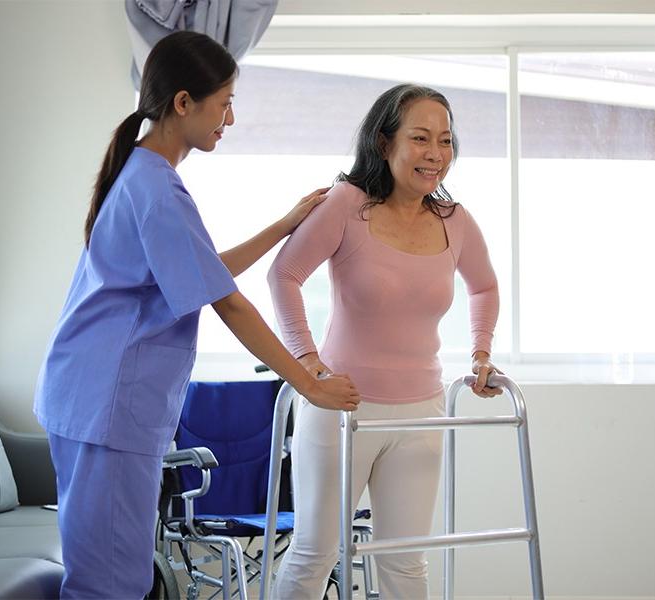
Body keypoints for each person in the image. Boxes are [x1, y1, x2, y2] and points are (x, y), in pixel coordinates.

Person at [33, 31, 359, 600]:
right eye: (224, 101)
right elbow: (228, 302)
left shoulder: (141, 174)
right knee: (109, 585)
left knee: (111, 576)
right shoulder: (158, 190)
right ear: (184, 102)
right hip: (106, 405)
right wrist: (309, 383)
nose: (229, 118)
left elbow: (203, 270)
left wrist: (284, 225)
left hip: (90, 399)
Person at [267, 83, 502, 600]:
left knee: (405, 564)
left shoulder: (454, 220)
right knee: (314, 555)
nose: (435, 154)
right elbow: (284, 274)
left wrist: (481, 353)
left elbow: (483, 285)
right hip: (343, 408)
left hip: (422, 411)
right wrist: (308, 363)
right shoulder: (346, 204)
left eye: (445, 140)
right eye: (420, 138)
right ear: (383, 141)